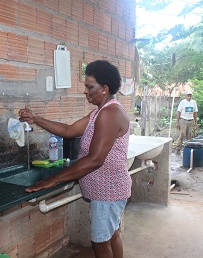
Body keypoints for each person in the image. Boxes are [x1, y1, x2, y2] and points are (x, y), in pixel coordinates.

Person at [19, 60, 131, 258]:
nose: (86, 92)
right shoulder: (99, 112)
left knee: (100, 242)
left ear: (104, 89)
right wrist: (36, 119)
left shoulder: (109, 114)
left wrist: (51, 180)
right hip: (108, 190)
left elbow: (95, 159)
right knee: (111, 234)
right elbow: (70, 130)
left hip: (108, 191)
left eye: (90, 87)